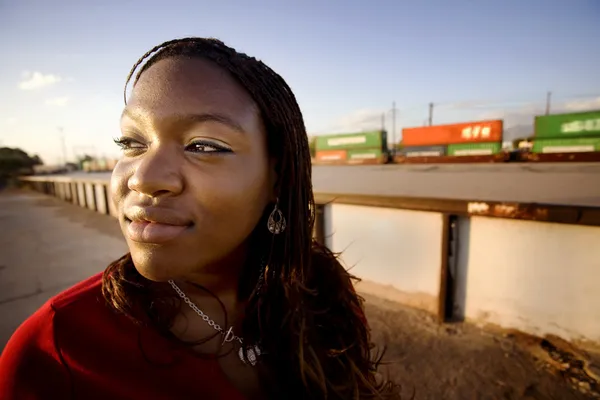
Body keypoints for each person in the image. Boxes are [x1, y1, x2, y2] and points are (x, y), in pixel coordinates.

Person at [0, 37, 400, 399]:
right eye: (131, 142)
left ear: (276, 176)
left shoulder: (323, 293)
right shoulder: (55, 349)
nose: (143, 177)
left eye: (204, 145)